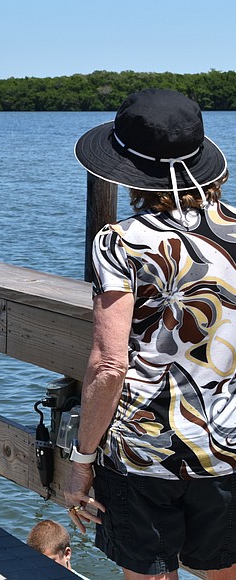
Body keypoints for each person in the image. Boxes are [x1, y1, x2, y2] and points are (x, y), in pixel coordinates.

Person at [65, 88, 236, 580]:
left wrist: (82, 460)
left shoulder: (120, 242)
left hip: (142, 451)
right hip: (225, 446)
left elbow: (109, 364)